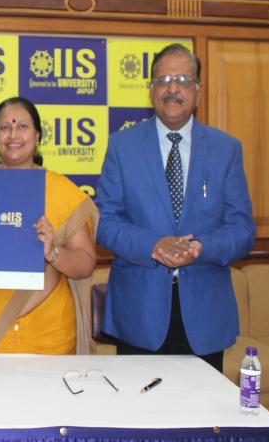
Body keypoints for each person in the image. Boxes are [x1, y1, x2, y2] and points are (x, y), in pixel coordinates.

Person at [96, 43, 255, 373]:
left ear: (198, 91)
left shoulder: (226, 149)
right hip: (139, 312)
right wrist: (154, 245)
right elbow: (105, 222)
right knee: (138, 405)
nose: (172, 89)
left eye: (182, 80)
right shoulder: (122, 146)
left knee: (202, 406)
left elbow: (242, 230)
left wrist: (200, 247)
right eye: (163, 80)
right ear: (151, 90)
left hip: (204, 315)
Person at [0, 97, 97, 355]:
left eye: (22, 126)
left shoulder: (62, 191)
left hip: (50, 337)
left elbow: (86, 262)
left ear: (37, 136)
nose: (13, 134)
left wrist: (53, 253)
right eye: (5, 127)